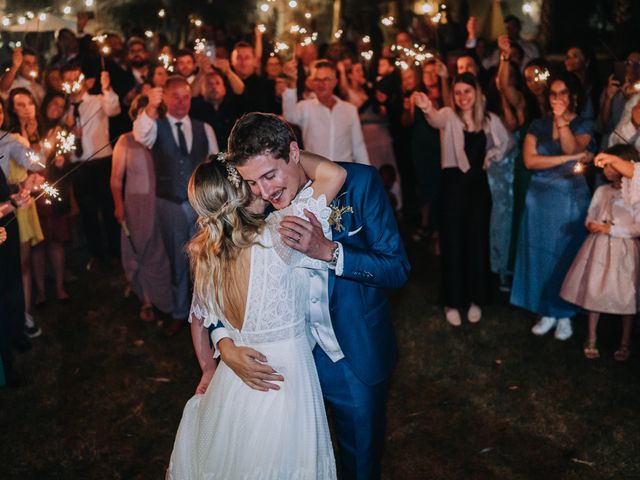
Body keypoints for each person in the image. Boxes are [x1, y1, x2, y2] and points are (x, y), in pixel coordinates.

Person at [215, 112, 410, 479]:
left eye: (269, 175)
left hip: (353, 357)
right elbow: (214, 284)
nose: (265, 191)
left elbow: (397, 269)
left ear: (294, 152)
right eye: (252, 181)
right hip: (286, 367)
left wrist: (330, 252)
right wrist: (223, 341)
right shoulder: (250, 207)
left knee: (359, 466)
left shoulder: (360, 183)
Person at [167, 150, 345, 478]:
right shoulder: (281, 233)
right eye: (250, 181)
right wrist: (281, 149)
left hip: (234, 384)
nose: (261, 188)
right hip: (284, 381)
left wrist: (209, 368)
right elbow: (333, 174)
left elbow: (198, 321)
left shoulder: (208, 255)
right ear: (243, 193)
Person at [414, 72, 513, 326]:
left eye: (467, 91)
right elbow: (434, 119)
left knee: (477, 244)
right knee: (453, 244)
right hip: (453, 187)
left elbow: (508, 142)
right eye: (457, 92)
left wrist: (493, 154)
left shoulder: (489, 119)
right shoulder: (448, 115)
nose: (462, 97)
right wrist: (427, 107)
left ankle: (475, 299)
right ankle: (452, 301)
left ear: (477, 93)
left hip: (479, 190)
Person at [511, 72, 595, 340]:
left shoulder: (583, 124)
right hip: (540, 199)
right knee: (540, 254)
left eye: (562, 93)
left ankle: (564, 314)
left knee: (566, 255)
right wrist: (569, 157)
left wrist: (561, 122)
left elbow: (572, 144)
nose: (557, 98)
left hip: (570, 198)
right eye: (553, 93)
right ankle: (544, 310)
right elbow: (530, 162)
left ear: (573, 97)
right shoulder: (537, 124)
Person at [133, 75, 219, 336]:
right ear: (166, 98)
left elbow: (214, 163)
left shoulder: (204, 127)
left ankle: (209, 311)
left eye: (186, 97)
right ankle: (180, 312)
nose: (182, 102)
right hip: (168, 203)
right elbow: (140, 134)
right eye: (176, 97)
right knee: (176, 257)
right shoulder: (155, 126)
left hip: (200, 205)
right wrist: (149, 107)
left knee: (205, 257)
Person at [561, 144, 640, 361]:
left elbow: (638, 226)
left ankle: (625, 342)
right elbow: (592, 214)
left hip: (624, 250)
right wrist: (593, 224)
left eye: (612, 165)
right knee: (594, 289)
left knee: (626, 295)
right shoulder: (602, 191)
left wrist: (611, 229)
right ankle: (592, 337)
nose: (607, 171)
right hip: (599, 247)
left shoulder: (634, 194)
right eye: (605, 166)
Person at [111, 95, 173, 322]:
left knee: (162, 249)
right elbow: (116, 179)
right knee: (142, 248)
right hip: (137, 205)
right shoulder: (125, 141)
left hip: (163, 201)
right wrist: (118, 205)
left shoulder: (163, 138)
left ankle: (165, 296)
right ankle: (147, 299)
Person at [63, 64, 122, 268]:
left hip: (101, 161)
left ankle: (115, 251)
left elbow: (114, 108)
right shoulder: (62, 108)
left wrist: (106, 87)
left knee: (108, 208)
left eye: (75, 77)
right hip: (78, 165)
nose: (73, 83)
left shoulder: (97, 100)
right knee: (87, 212)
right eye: (68, 79)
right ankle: (96, 254)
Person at [282, 59, 370, 164]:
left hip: (344, 173)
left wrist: (368, 176)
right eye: (317, 80)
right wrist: (292, 82)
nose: (321, 84)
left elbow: (358, 147)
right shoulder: (306, 107)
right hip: (316, 174)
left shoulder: (349, 110)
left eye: (326, 80)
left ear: (335, 82)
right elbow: (289, 115)